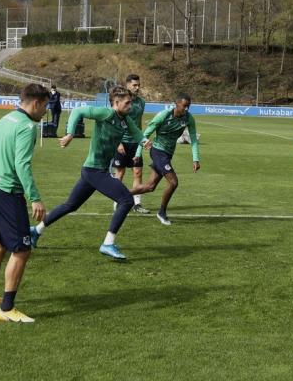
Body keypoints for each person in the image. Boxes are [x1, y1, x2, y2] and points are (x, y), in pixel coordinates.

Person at [30, 86, 151, 260]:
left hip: (94, 171)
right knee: (126, 200)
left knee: (70, 205)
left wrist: (145, 141)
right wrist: (70, 133)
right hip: (94, 170)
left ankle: (36, 230)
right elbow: (78, 110)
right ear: (116, 103)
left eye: (131, 102)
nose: (130, 106)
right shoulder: (106, 113)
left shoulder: (124, 119)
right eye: (127, 103)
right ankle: (108, 243)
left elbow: (136, 132)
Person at [0, 84, 49, 323]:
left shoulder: (5, 119)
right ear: (36, 103)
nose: (45, 112)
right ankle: (7, 308)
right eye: (45, 106)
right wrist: (35, 197)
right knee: (21, 250)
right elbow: (22, 165)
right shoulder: (27, 126)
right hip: (8, 194)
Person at [129, 93, 200, 226]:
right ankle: (162, 212)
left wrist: (196, 159)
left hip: (167, 154)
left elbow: (194, 140)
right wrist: (138, 154)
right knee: (173, 182)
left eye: (188, 106)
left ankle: (121, 194)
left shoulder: (189, 119)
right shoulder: (164, 115)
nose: (186, 109)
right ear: (176, 104)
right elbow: (146, 134)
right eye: (184, 106)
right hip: (157, 151)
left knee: (150, 187)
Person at [112, 74, 150, 214]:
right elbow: (115, 121)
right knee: (120, 173)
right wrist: (118, 142)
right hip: (122, 142)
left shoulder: (142, 102)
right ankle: (117, 202)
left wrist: (141, 141)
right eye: (134, 85)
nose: (137, 87)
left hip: (136, 143)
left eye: (138, 85)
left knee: (138, 171)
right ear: (127, 85)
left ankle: (137, 203)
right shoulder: (121, 101)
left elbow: (138, 124)